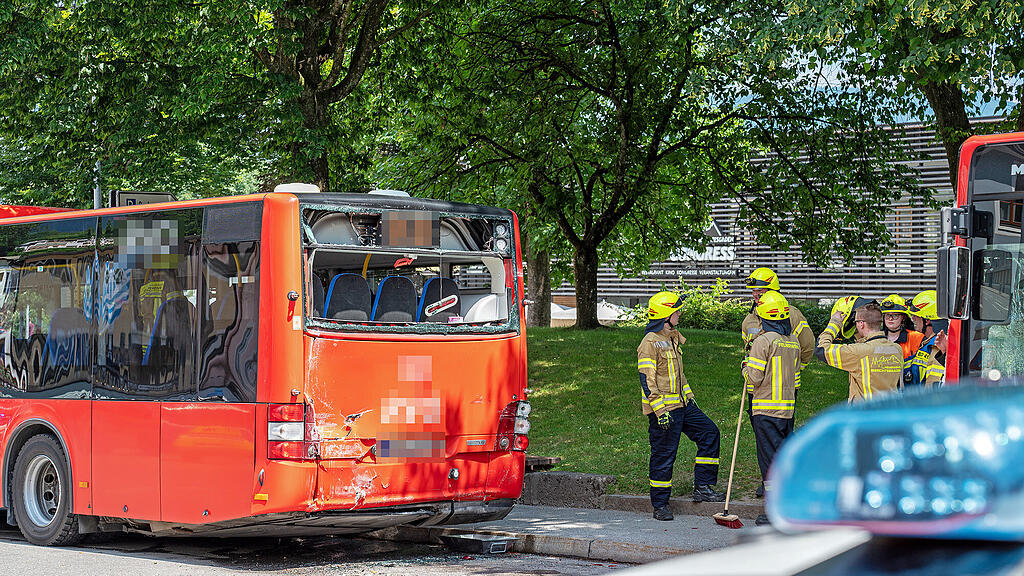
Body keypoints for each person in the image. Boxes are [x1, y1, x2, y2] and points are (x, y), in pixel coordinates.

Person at [638, 291, 725, 521]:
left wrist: (689, 395)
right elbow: (647, 380)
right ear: (665, 316)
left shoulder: (673, 336)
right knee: (664, 456)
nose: (679, 314)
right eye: (676, 311)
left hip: (683, 405)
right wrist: (660, 411)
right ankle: (660, 504)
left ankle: (703, 486)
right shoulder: (649, 343)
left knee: (709, 433)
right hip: (665, 410)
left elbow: (678, 374)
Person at [741, 267, 813, 497]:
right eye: (753, 291)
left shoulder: (791, 314)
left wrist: (793, 368)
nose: (755, 295)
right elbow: (748, 349)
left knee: (779, 439)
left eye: (760, 291)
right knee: (765, 441)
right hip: (759, 389)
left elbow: (808, 345)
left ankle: (778, 487)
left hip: (785, 388)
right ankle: (770, 482)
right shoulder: (749, 319)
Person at [742, 291, 800, 526]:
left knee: (769, 462)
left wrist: (744, 367)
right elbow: (796, 380)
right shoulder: (793, 341)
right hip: (787, 411)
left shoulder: (762, 341)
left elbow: (754, 378)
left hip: (765, 411)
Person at [816, 300, 903, 402]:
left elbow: (821, 349)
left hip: (865, 414)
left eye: (856, 322)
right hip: (891, 412)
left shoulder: (859, 352)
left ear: (861, 324)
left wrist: (834, 324)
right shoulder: (896, 349)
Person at [879, 294, 924, 388]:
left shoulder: (916, 338)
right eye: (887, 315)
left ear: (903, 317)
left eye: (895, 315)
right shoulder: (878, 338)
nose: (890, 318)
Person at [907, 290, 949, 387]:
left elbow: (932, 386)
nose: (913, 319)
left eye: (915, 316)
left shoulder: (937, 346)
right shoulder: (927, 343)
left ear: (927, 320)